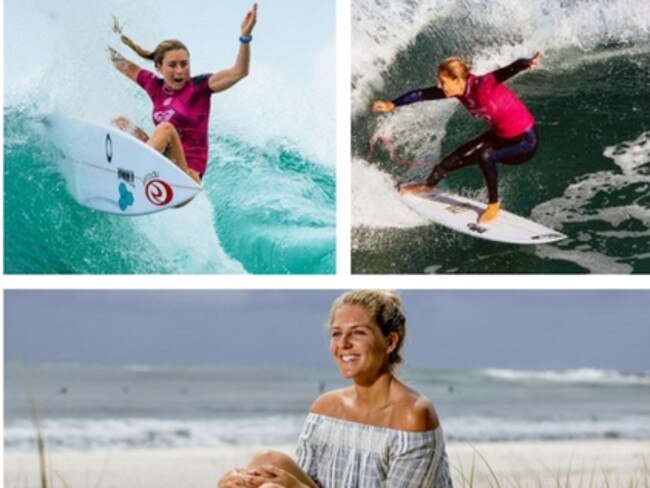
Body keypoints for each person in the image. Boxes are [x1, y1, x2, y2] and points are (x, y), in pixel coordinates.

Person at [218, 290, 453, 488]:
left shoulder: (412, 415)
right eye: (336, 333)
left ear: (389, 342)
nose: (343, 344)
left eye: (358, 332)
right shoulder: (326, 408)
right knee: (266, 461)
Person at [372, 53, 541, 223]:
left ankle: (494, 204)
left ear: (457, 80)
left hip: (524, 142)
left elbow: (509, 69)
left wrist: (527, 63)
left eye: (443, 82)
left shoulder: (483, 85)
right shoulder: (458, 91)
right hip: (499, 136)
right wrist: (392, 104)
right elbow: (421, 94)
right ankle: (427, 186)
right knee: (445, 164)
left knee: (485, 155)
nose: (439, 85)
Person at [109, 4, 258, 184]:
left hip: (186, 178)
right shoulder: (154, 86)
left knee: (165, 128)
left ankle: (136, 173)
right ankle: (115, 170)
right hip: (162, 166)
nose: (180, 71)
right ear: (159, 67)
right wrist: (93, 34)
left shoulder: (199, 87)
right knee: (120, 124)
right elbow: (118, 62)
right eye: (172, 65)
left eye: (184, 64)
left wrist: (245, 37)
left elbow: (238, 72)